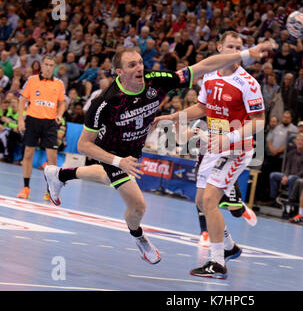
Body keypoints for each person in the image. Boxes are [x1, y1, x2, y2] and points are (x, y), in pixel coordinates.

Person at [43, 42, 275, 272]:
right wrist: (118, 161)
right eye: (132, 65)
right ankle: (139, 237)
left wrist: (244, 54)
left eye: (140, 62)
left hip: (135, 148)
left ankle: (60, 175)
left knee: (106, 178)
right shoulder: (104, 103)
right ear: (120, 72)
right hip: (113, 152)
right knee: (138, 207)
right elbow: (84, 145)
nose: (139, 68)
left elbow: (202, 66)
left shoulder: (156, 80)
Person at [153, 31, 274, 279]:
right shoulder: (209, 75)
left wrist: (228, 138)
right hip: (215, 146)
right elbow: (203, 107)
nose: (234, 51)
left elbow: (259, 122)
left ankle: (217, 262)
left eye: (239, 47)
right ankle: (229, 247)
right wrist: (174, 117)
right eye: (230, 46)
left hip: (237, 148)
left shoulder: (248, 83)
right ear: (219, 48)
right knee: (201, 202)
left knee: (209, 200)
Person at [17, 55, 66, 199]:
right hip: (32, 120)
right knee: (27, 154)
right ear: (42, 65)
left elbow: (62, 102)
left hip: (50, 123)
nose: (49, 67)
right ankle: (26, 188)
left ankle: (49, 192)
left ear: (54, 67)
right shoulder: (31, 80)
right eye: (46, 64)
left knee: (52, 158)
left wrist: (60, 114)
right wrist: (21, 120)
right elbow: (22, 100)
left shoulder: (59, 83)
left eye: (51, 65)